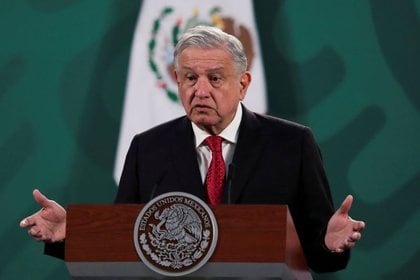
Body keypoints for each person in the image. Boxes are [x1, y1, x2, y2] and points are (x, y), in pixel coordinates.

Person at [20, 25, 365, 273]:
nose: (200, 91)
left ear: (242, 84)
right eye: (189, 78)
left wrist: (329, 244)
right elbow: (124, 243)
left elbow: (319, 253)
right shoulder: (148, 148)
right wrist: (70, 235)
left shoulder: (292, 144)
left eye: (215, 78)